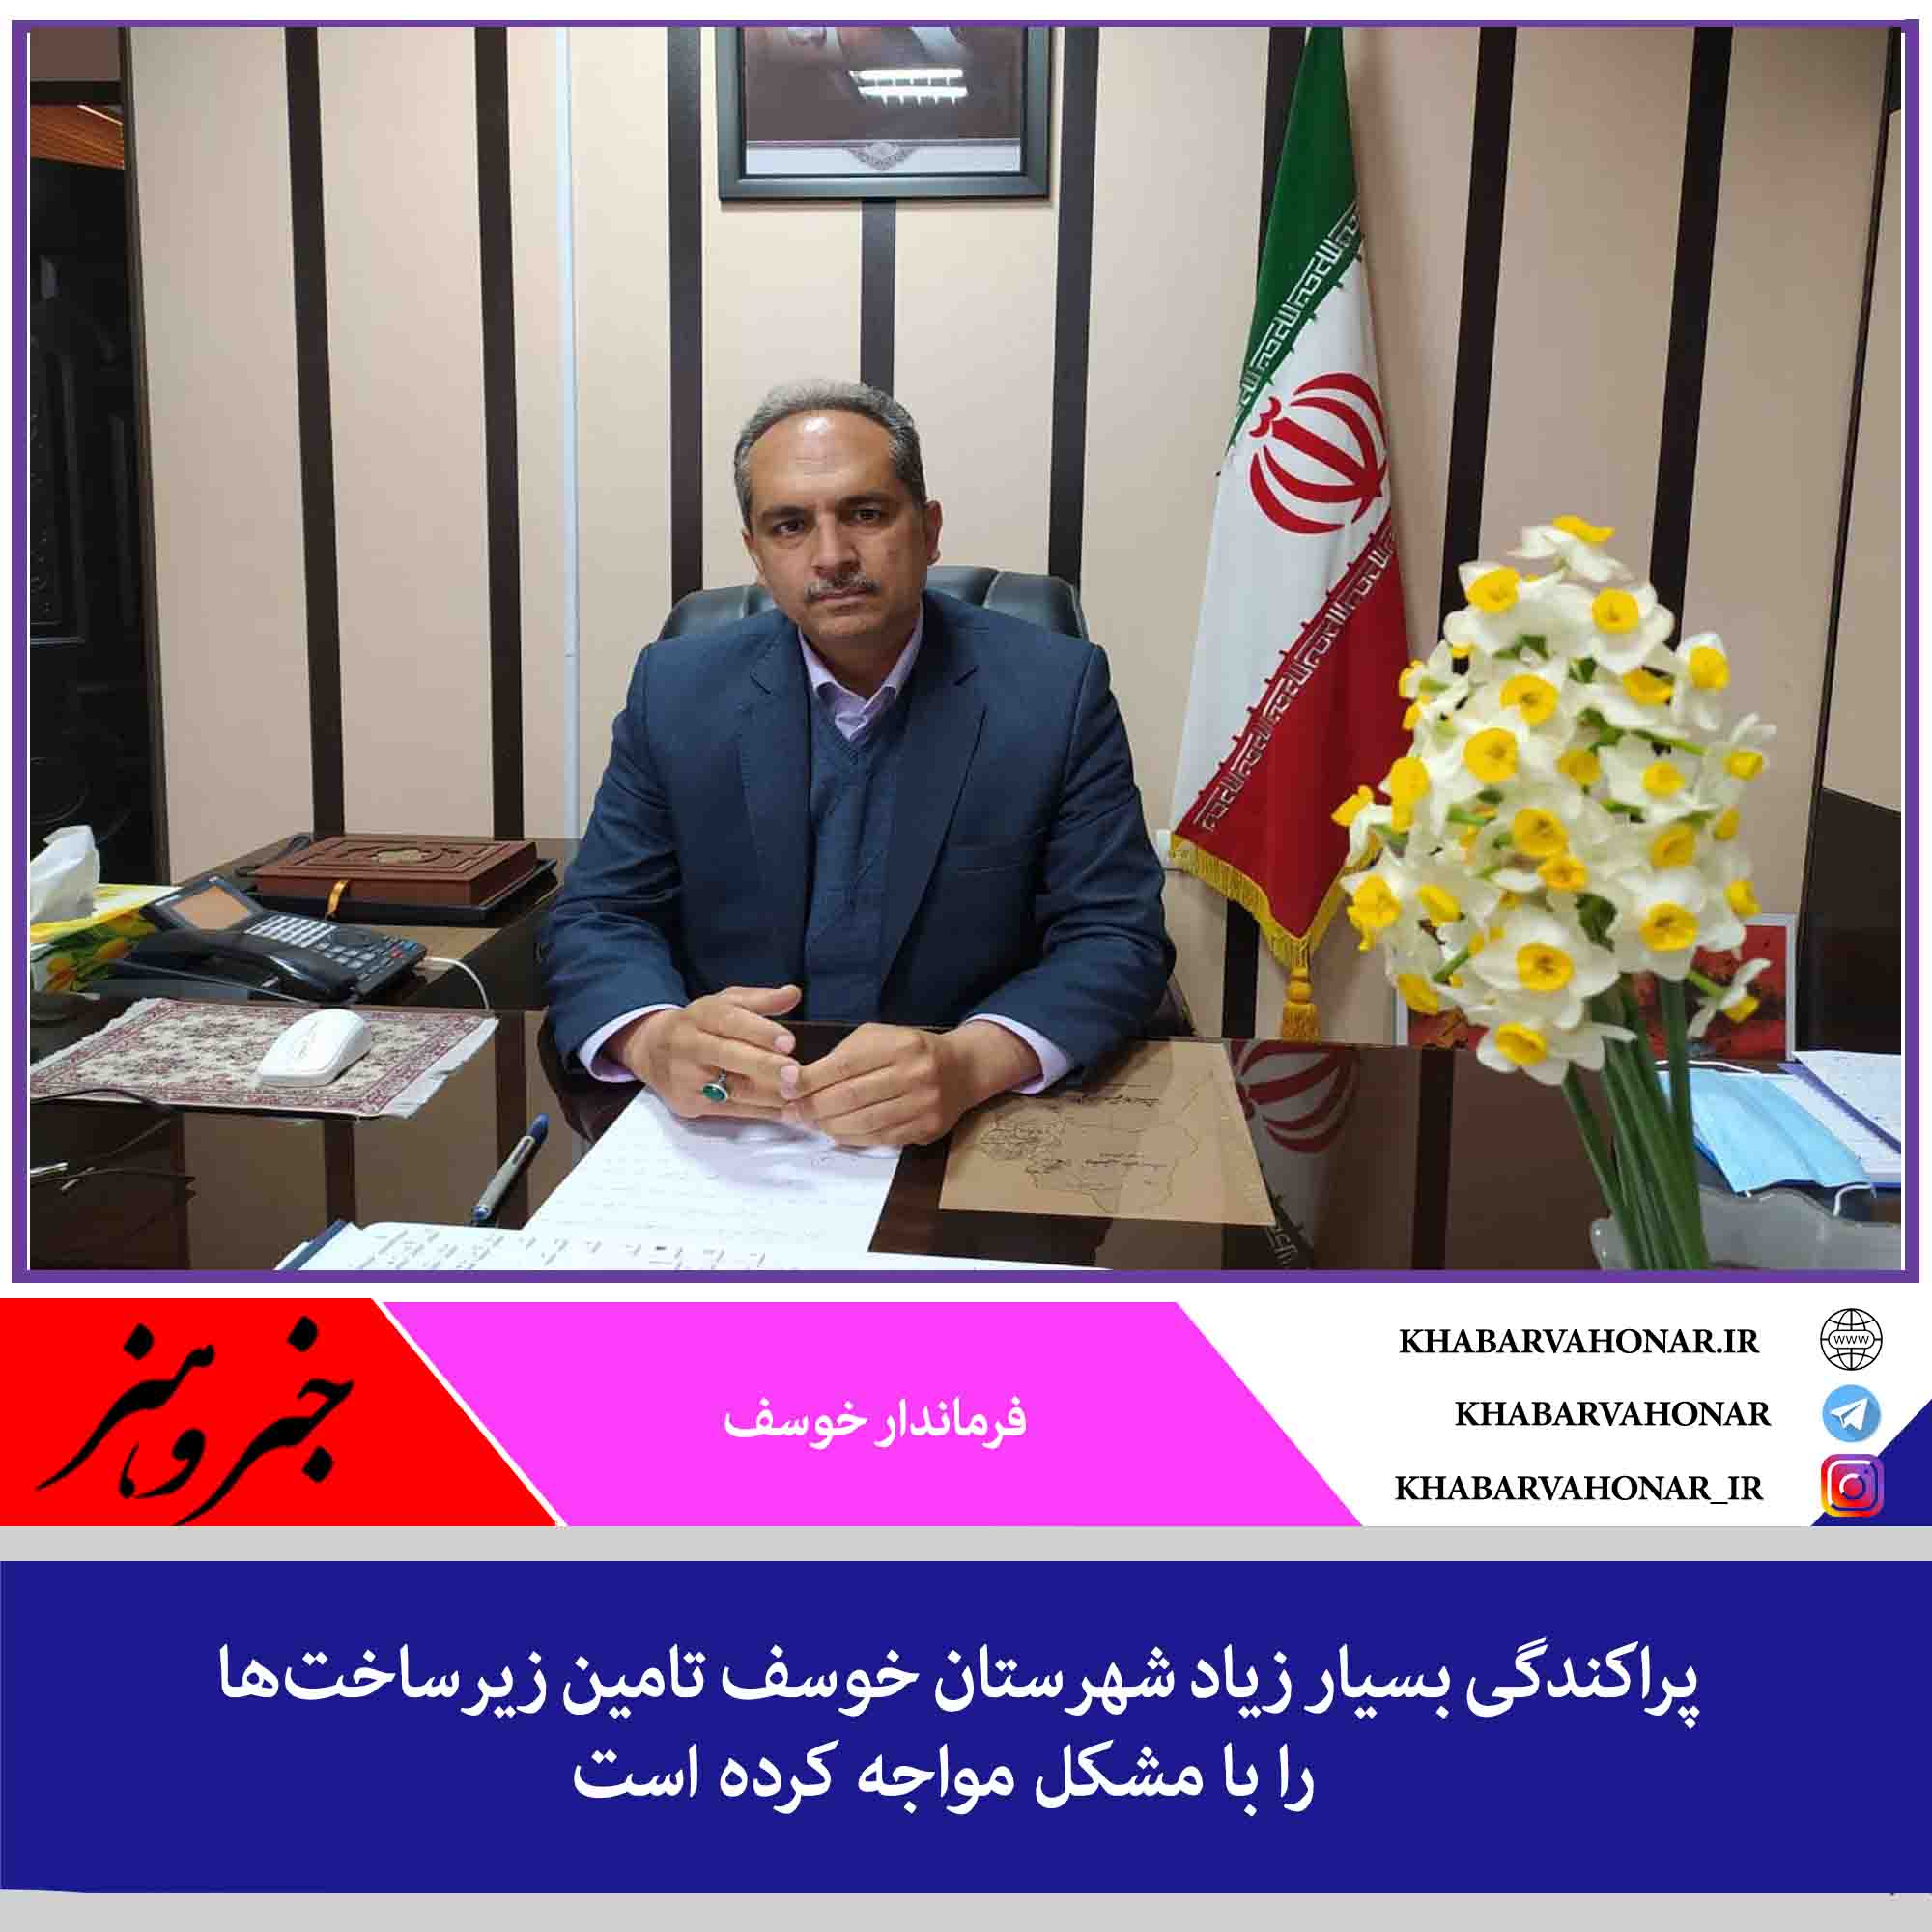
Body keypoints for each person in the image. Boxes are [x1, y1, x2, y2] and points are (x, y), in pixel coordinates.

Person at [541, 378, 1173, 1147]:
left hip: (969, 1119)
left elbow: (1115, 934)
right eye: (789, 526)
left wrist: (971, 1063)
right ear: (756, 555)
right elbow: (601, 915)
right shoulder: (675, 690)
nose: (832, 556)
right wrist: (653, 1038)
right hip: (732, 1125)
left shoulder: (1055, 691)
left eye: (866, 514)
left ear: (929, 531)